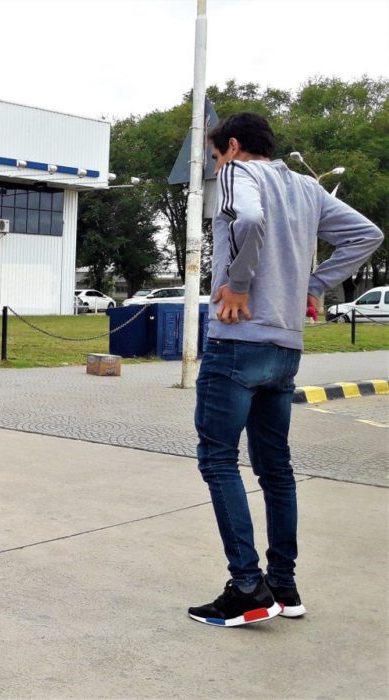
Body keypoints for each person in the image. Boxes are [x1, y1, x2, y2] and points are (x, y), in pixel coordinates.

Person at [187, 112, 383, 627]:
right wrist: (314, 286)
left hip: (237, 341)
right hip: (285, 348)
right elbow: (367, 235)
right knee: (276, 468)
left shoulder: (237, 173)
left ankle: (248, 587)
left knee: (218, 460)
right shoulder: (306, 189)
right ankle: (285, 587)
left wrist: (240, 283)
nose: (215, 166)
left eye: (213, 157)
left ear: (231, 146)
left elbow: (247, 221)